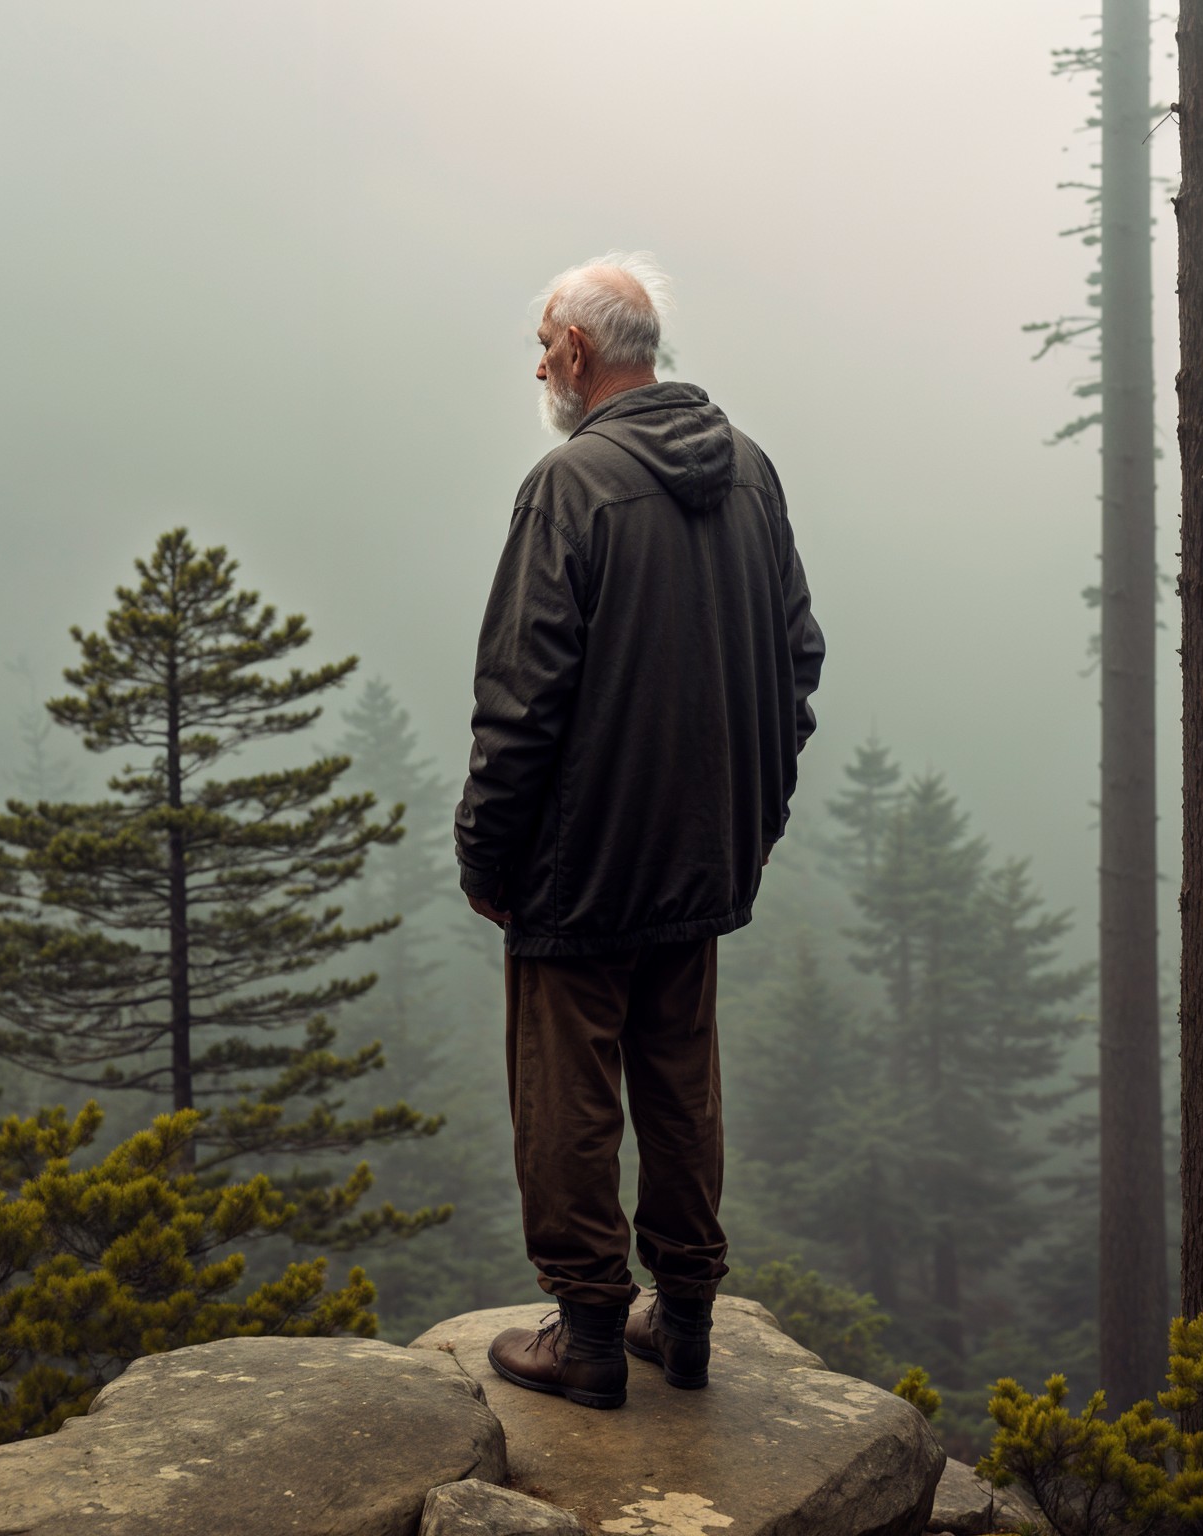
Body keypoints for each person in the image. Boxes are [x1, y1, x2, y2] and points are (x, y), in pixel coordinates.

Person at [455, 252, 824, 1409]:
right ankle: (691, 1319)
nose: (539, 365)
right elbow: (798, 657)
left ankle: (590, 1336)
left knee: (568, 1092)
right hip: (700, 856)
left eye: (544, 345)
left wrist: (487, 856)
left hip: (579, 868)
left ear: (575, 351)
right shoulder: (750, 473)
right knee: (680, 1082)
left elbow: (521, 700)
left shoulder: (569, 488)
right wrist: (749, 816)